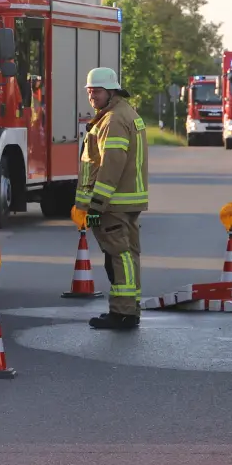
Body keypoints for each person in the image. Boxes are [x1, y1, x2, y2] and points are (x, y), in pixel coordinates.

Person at [75, 67, 149, 331]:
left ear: (111, 91)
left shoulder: (114, 120)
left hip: (113, 203)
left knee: (119, 256)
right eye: (89, 91)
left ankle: (123, 312)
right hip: (125, 201)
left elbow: (110, 165)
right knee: (127, 255)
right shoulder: (123, 113)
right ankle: (128, 308)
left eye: (97, 91)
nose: (92, 96)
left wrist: (95, 204)